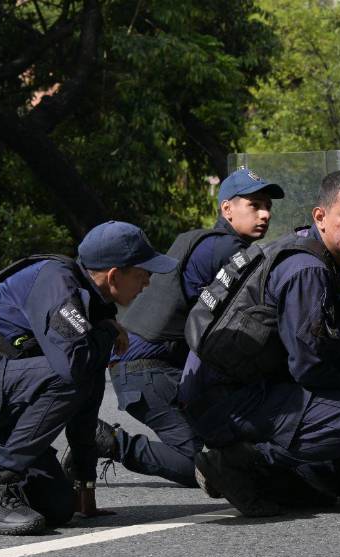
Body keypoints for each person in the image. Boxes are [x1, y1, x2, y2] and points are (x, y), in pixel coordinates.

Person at [182, 169, 340, 516]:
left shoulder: (300, 246)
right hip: (227, 401)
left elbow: (335, 306)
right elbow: (308, 366)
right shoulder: (307, 269)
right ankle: (238, 462)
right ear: (320, 217)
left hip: (219, 391)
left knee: (326, 487)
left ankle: (250, 472)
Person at [0, 221, 175, 535]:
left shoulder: (94, 307)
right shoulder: (56, 282)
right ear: (114, 275)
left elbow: (88, 400)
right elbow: (73, 370)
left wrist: (85, 482)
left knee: (58, 506)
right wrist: (105, 333)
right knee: (70, 369)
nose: (147, 283)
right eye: (143, 274)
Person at [64, 168, 283, 488]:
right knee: (204, 466)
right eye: (255, 205)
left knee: (221, 450)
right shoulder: (230, 251)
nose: (265, 214)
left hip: (145, 367)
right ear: (227, 209)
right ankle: (108, 441)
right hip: (148, 370)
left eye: (268, 207)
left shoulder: (197, 240)